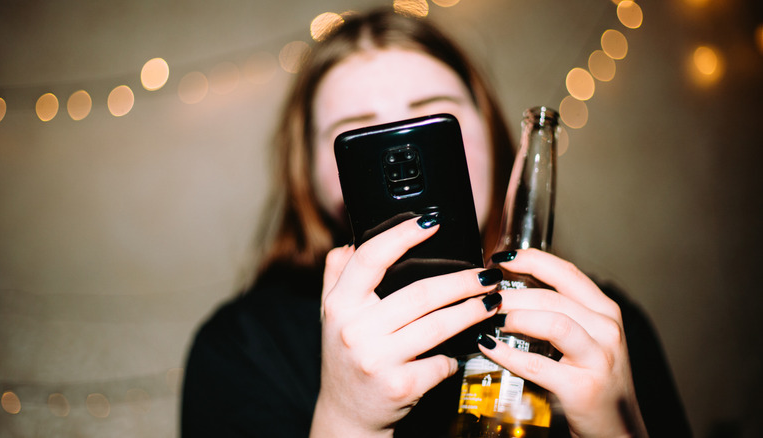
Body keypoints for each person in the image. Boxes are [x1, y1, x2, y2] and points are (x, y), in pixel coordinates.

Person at [181, 8, 690, 437]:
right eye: (357, 136)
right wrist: (347, 420)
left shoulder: (598, 327)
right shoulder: (242, 347)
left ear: (490, 136)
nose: (403, 156)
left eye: (433, 120)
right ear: (310, 178)